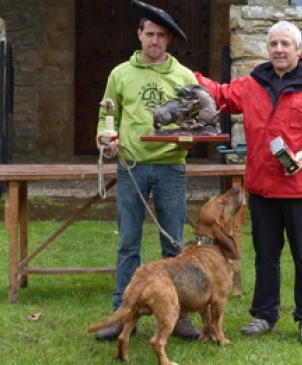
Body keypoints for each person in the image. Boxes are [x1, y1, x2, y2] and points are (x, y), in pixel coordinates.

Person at [195, 20, 302, 345]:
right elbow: (220, 95)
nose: (278, 49)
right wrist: (183, 74)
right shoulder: (253, 84)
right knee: (266, 256)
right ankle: (264, 315)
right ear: (268, 49)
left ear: (298, 49)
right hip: (263, 189)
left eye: (285, 44)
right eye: (273, 44)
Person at [94, 2, 200, 341]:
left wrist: (190, 140)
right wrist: (106, 140)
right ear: (139, 35)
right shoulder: (120, 74)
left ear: (168, 40)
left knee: (174, 245)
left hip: (171, 166)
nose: (154, 40)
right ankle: (122, 314)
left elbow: (195, 122)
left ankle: (179, 314)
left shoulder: (183, 76)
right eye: (149, 34)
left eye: (160, 36)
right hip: (133, 165)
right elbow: (106, 116)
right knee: (128, 244)